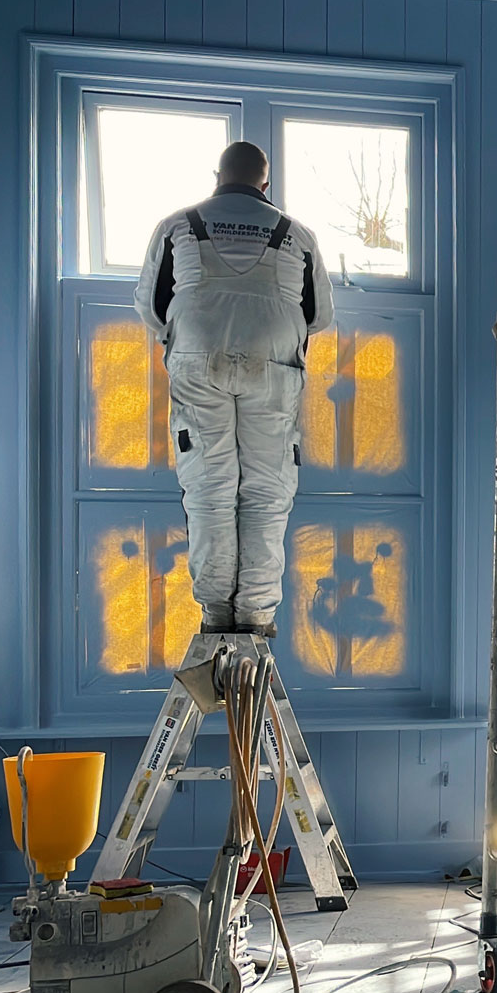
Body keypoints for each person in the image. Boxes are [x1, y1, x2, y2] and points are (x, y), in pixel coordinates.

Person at [134, 141, 334, 637]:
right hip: (273, 366)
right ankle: (256, 616)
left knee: (209, 488)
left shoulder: (177, 225)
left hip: (197, 361)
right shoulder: (298, 235)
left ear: (217, 176)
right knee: (267, 492)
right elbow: (321, 317)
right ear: (265, 185)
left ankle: (216, 615)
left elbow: (151, 307)